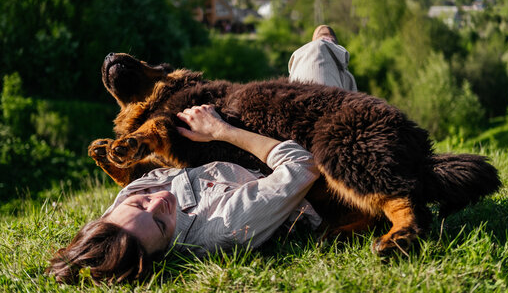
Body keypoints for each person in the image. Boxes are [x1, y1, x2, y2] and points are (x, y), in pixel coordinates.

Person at [47, 105, 321, 284]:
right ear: (162, 253)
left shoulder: (123, 214)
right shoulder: (227, 223)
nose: (158, 201)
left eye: (139, 203)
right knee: (317, 49)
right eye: (160, 223)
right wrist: (221, 131)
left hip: (258, 137)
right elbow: (302, 165)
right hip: (313, 168)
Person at [288, 25, 357, 92]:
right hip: (334, 99)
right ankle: (329, 47)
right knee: (348, 78)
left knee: (316, 47)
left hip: (298, 99)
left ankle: (322, 44)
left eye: (326, 39)